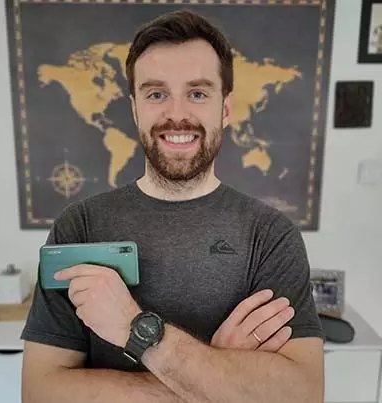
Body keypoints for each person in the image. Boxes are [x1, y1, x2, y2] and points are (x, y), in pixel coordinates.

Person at [20, 9, 325, 403]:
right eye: (156, 94)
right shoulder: (79, 226)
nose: (177, 114)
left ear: (225, 109)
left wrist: (136, 328)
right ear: (135, 109)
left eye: (197, 93)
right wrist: (214, 374)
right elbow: (40, 392)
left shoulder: (270, 236)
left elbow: (303, 395)